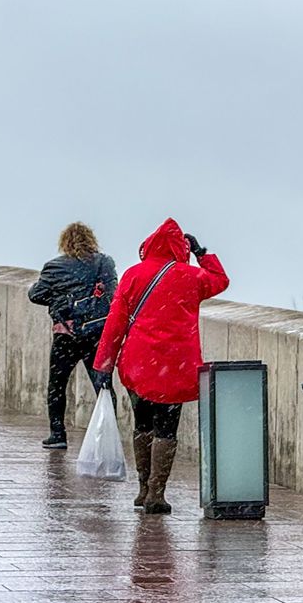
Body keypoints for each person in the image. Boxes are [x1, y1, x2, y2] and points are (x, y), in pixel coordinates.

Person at [93, 219, 229, 513]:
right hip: (175, 366)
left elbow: (115, 323)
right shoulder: (191, 276)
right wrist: (201, 252)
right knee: (166, 429)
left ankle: (142, 488)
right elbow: (220, 280)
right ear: (181, 246)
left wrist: (103, 364)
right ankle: (157, 492)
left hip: (138, 363)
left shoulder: (133, 275)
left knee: (142, 425)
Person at [28, 222, 118, 449]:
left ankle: (57, 434)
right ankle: (107, 433)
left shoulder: (54, 267)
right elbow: (114, 294)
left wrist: (61, 301)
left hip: (66, 335)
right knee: (103, 385)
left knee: (57, 384)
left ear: (65, 242)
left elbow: (36, 294)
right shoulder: (104, 263)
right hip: (96, 333)